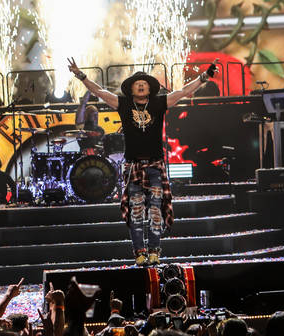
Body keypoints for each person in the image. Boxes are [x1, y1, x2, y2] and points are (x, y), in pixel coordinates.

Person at [67, 58, 218, 266]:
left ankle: (155, 251)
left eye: (144, 83)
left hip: (155, 165)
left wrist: (204, 77)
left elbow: (183, 92)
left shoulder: (158, 103)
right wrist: (80, 75)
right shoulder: (124, 104)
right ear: (130, 88)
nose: (140, 85)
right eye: (137, 83)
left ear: (149, 88)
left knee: (156, 210)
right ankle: (139, 252)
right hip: (133, 166)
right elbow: (100, 92)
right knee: (136, 211)